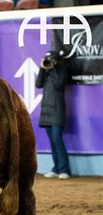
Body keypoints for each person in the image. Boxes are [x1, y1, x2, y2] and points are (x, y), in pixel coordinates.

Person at [36, 50, 71, 180]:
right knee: (52, 141)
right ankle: (56, 168)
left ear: (57, 61)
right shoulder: (46, 71)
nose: (50, 62)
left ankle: (64, 170)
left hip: (57, 110)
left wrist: (53, 69)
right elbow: (38, 84)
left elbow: (58, 85)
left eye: (52, 60)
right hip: (46, 110)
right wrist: (42, 68)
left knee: (57, 139)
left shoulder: (62, 72)